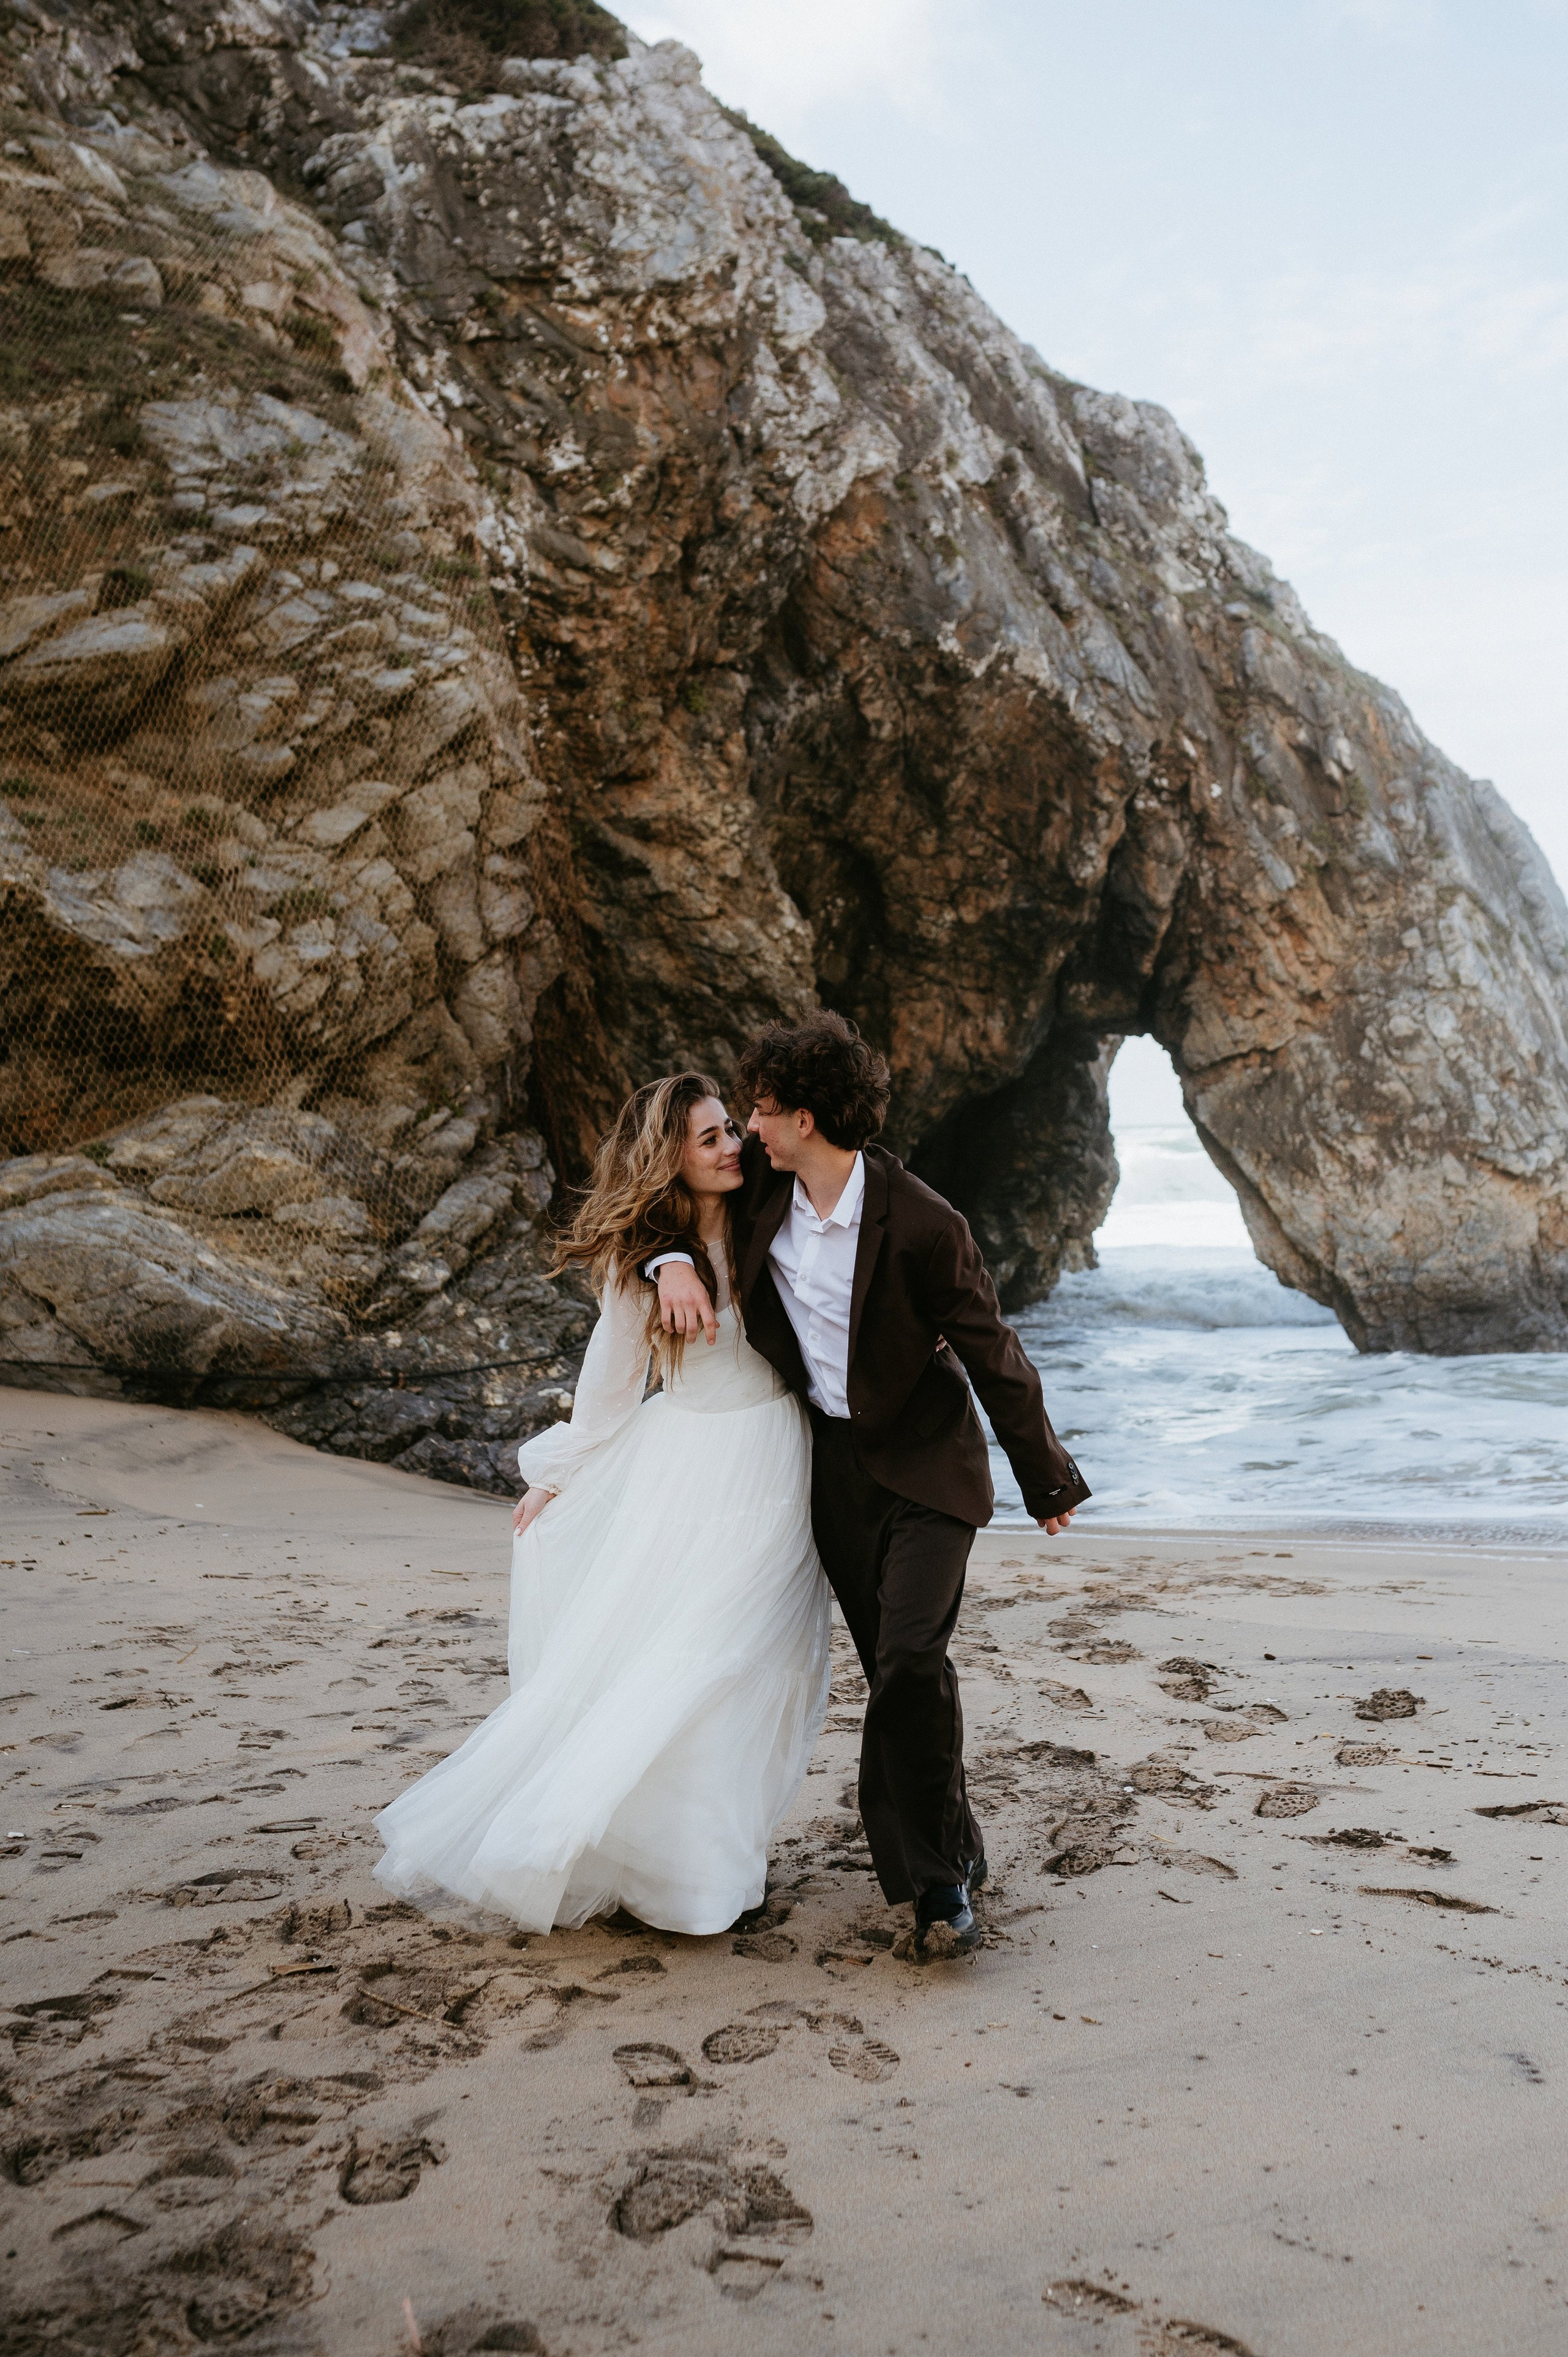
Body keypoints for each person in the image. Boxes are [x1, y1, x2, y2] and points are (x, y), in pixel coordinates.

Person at [650, 1013, 1089, 1958]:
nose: (749, 1129)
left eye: (762, 1111)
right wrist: (669, 1260)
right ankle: (958, 1845)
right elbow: (667, 1205)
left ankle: (935, 1892)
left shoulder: (927, 1224)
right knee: (913, 1669)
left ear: (805, 1118)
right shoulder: (765, 1191)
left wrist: (1046, 1477)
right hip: (837, 1475)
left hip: (932, 1470)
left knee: (903, 1668)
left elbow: (993, 1353)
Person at [373, 1074, 830, 1936]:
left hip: (779, 1468)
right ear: (670, 1157)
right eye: (708, 1139)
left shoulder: (771, 1211)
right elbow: (609, 1397)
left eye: (732, 1128)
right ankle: (683, 1875)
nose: (733, 1145)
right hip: (693, 1477)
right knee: (697, 1661)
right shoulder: (639, 1266)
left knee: (762, 1664)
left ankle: (725, 1858)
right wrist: (557, 1479)